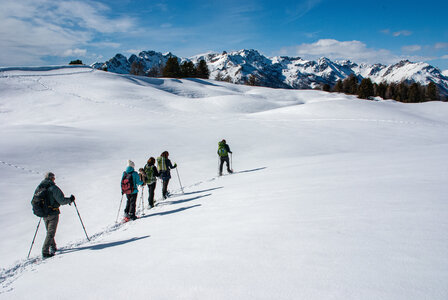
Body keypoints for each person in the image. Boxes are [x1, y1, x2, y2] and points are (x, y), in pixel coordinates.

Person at [32, 172, 75, 258]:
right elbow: (61, 201)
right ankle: (45, 251)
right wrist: (70, 199)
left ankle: (53, 247)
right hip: (53, 213)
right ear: (51, 178)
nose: (54, 179)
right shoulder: (53, 188)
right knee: (51, 233)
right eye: (54, 178)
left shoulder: (40, 187)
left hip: (44, 214)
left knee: (49, 232)